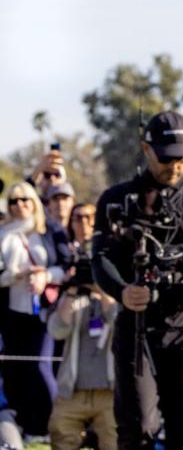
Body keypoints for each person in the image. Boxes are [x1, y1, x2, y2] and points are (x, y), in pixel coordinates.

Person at [91, 110, 183, 450]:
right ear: (146, 149)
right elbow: (99, 259)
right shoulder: (117, 200)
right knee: (138, 426)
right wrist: (122, 291)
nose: (176, 167)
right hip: (138, 323)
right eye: (168, 159)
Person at [0, 181, 65, 438]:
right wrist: (17, 275)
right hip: (12, 313)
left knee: (41, 366)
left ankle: (54, 425)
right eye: (14, 201)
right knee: (15, 370)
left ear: (34, 203)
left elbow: (66, 266)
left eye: (25, 199)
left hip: (44, 312)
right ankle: (26, 427)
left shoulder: (48, 230)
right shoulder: (4, 234)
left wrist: (45, 275)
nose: (20, 205)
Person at [46, 262, 119, 450]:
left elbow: (116, 319)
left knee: (114, 442)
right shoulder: (75, 299)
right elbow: (56, 331)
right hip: (73, 390)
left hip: (110, 392)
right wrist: (71, 290)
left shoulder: (115, 297)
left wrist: (102, 288)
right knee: (61, 435)